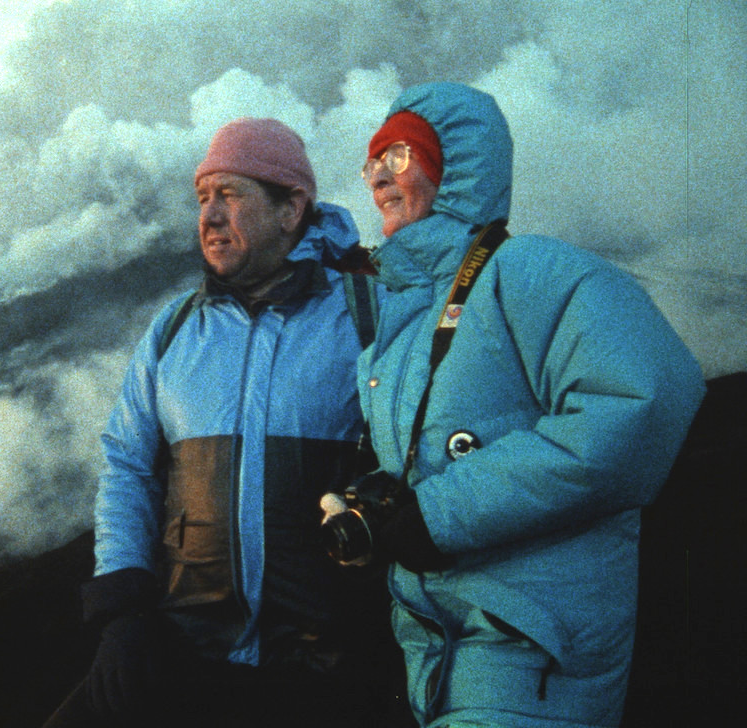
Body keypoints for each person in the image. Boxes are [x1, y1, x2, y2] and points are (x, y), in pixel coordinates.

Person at [322, 82, 705, 728]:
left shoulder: (525, 271)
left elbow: (647, 396)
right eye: (371, 164)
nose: (379, 179)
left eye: (399, 157)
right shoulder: (403, 328)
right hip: (443, 661)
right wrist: (388, 509)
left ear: (458, 168)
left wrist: (438, 513)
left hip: (532, 658)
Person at [42, 118, 397, 728]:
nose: (207, 216)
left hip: (329, 675)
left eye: (229, 194)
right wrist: (122, 611)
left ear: (291, 209)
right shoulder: (175, 327)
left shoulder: (369, 317)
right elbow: (127, 466)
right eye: (202, 197)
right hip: (185, 654)